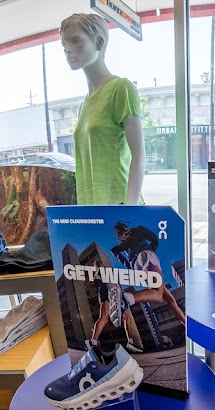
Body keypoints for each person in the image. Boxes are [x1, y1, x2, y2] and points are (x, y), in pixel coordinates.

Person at [61, 13, 145, 205]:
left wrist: (130, 209)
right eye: (64, 44)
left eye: (74, 40)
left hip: (120, 206)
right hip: (92, 209)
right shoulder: (85, 103)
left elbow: (139, 154)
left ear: (98, 42)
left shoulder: (121, 88)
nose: (67, 49)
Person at [108, 221, 186, 328]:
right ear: (126, 226)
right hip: (146, 256)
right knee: (158, 296)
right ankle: (126, 298)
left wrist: (128, 265)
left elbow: (114, 251)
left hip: (137, 267)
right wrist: (150, 249)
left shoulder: (124, 243)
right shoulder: (138, 229)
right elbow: (154, 239)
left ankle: (186, 324)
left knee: (169, 298)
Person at [88, 260, 142, 354]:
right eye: (99, 264)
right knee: (104, 318)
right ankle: (93, 342)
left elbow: (115, 284)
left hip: (116, 297)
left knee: (127, 318)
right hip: (107, 294)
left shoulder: (98, 274)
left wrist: (119, 289)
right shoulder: (100, 272)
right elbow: (110, 283)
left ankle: (130, 341)